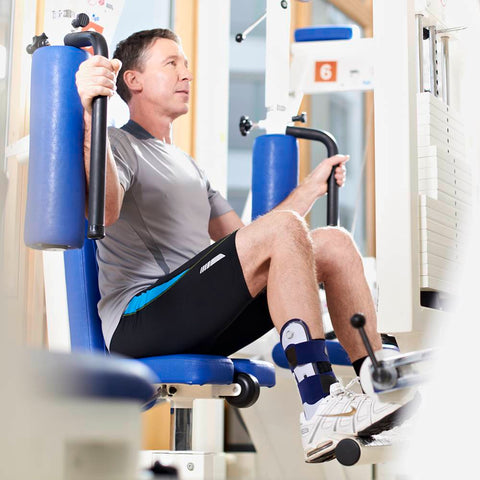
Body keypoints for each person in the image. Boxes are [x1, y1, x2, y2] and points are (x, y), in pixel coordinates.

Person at [75, 28, 416, 463]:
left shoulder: (188, 166)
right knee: (286, 232)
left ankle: (378, 375)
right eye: (171, 63)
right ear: (133, 80)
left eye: (186, 64)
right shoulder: (120, 143)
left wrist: (310, 189)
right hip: (141, 319)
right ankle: (318, 408)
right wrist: (91, 122)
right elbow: (103, 213)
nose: (186, 74)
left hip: (194, 312)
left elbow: (258, 236)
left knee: (332, 242)